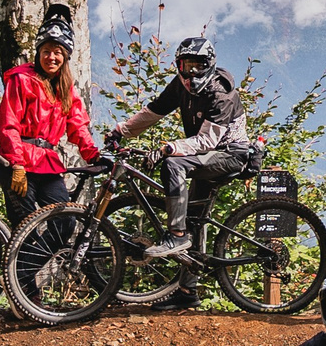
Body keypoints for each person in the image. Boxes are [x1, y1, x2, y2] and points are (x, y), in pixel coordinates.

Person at [106, 35, 258, 311]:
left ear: (209, 64)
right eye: (185, 65)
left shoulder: (219, 92)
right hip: (206, 156)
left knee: (174, 164)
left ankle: (177, 236)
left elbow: (207, 140)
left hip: (230, 154)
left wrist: (169, 148)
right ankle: (188, 291)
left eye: (197, 65)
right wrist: (121, 131)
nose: (191, 72)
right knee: (195, 219)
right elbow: (154, 111)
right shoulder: (181, 85)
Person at [0, 4, 101, 224]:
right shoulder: (22, 79)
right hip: (20, 161)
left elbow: (78, 125)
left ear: (65, 57)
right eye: (46, 51)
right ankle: (19, 259)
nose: (51, 57)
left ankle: (39, 259)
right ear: (38, 53)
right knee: (25, 228)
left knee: (66, 223)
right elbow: (8, 123)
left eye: (58, 53)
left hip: (47, 162)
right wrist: (16, 164)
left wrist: (94, 155)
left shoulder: (66, 88)